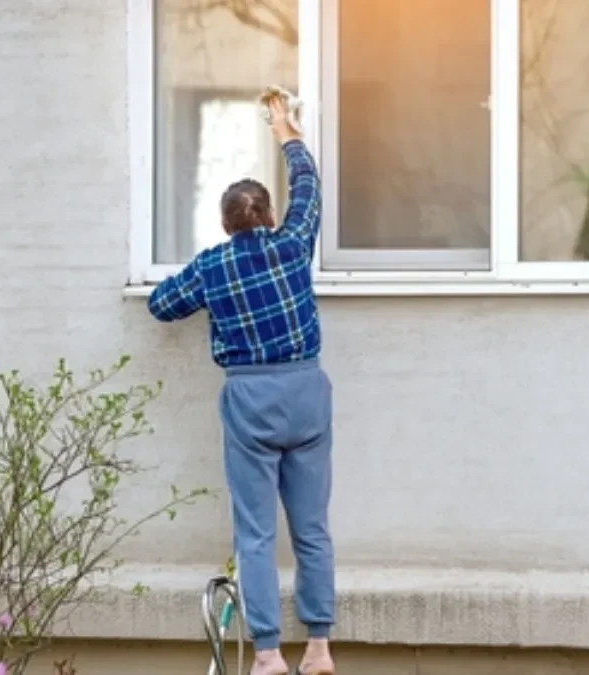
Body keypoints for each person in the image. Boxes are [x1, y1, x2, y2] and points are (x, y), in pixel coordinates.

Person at [147, 96, 336, 675]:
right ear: (270, 216)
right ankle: (320, 649)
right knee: (311, 528)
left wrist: (206, 283)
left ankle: (269, 655)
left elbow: (161, 305)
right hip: (306, 391)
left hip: (249, 397)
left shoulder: (214, 265)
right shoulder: (292, 244)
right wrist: (285, 131)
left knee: (254, 533)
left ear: (227, 224)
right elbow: (309, 186)